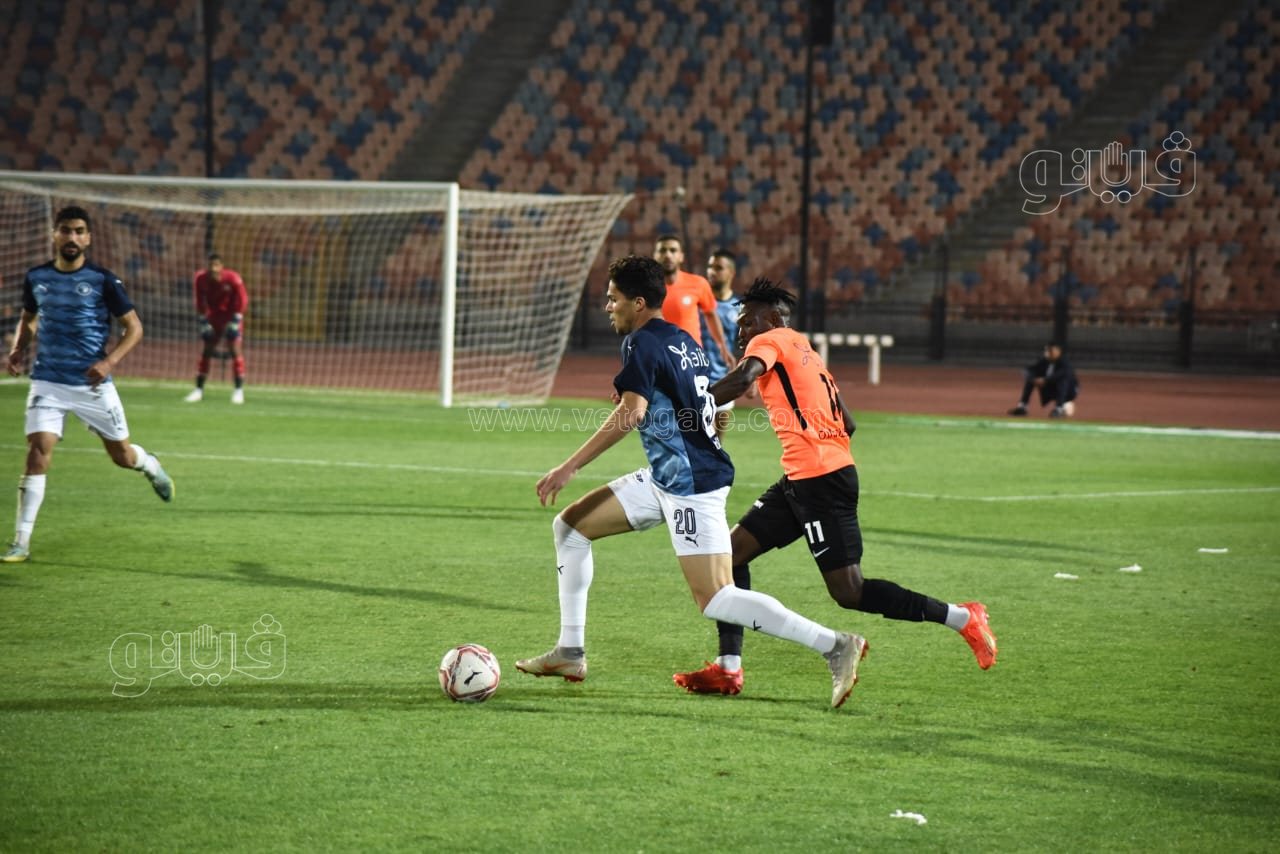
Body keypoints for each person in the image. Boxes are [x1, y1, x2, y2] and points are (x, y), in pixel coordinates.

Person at [516, 255, 869, 708]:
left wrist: (570, 466)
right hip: (669, 476)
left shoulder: (640, 342)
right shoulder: (682, 340)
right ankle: (570, 651)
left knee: (716, 598)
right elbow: (700, 402)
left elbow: (632, 414)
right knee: (570, 528)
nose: (607, 307)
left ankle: (835, 645)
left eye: (613, 298)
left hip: (690, 484)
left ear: (638, 303)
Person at [673, 279, 996, 696]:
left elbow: (743, 377)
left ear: (771, 319)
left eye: (747, 322)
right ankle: (728, 667)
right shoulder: (805, 351)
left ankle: (963, 617)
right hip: (804, 478)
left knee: (849, 591)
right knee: (731, 554)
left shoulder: (771, 340)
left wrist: (687, 404)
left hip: (821, 482)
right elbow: (849, 422)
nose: (741, 331)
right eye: (739, 325)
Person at [3, 206, 174, 563]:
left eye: (79, 231)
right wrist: (19, 349)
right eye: (66, 230)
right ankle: (21, 541)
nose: (72, 237)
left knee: (122, 457)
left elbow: (134, 328)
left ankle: (149, 464)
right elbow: (29, 318)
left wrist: (109, 362)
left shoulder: (103, 280)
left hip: (92, 385)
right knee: (37, 453)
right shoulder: (36, 277)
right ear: (54, 234)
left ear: (88, 238)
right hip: (48, 381)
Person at [653, 234, 735, 379]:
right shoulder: (647, 287)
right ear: (655, 255)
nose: (668, 255)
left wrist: (722, 347)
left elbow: (710, 314)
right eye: (662, 250)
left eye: (673, 250)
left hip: (690, 358)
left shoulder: (698, 283)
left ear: (681, 256)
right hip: (658, 357)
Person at [184, 253, 248, 404]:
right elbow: (200, 301)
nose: (213, 268)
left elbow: (243, 300)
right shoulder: (200, 279)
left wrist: (236, 320)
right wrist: (203, 320)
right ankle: (198, 390)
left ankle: (238, 391)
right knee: (207, 350)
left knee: (235, 349)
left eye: (216, 265)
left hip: (231, 316)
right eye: (211, 265)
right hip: (214, 317)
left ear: (222, 266)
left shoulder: (233, 278)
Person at [701, 248, 750, 438]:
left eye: (718, 268)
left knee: (717, 442)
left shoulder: (739, 308)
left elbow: (748, 343)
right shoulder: (697, 303)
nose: (712, 271)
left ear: (731, 272)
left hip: (724, 379)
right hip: (697, 378)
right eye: (710, 267)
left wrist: (752, 377)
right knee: (704, 436)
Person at [1008, 342, 1079, 418]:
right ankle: (1022, 407)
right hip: (1051, 387)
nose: (1048, 353)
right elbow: (1031, 369)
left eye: (1051, 351)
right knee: (1031, 380)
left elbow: (1062, 374)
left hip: (1069, 392)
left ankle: (1059, 409)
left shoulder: (1065, 363)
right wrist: (1032, 378)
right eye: (1047, 351)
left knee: (1062, 380)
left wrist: (1045, 380)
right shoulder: (1044, 361)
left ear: (1058, 351)